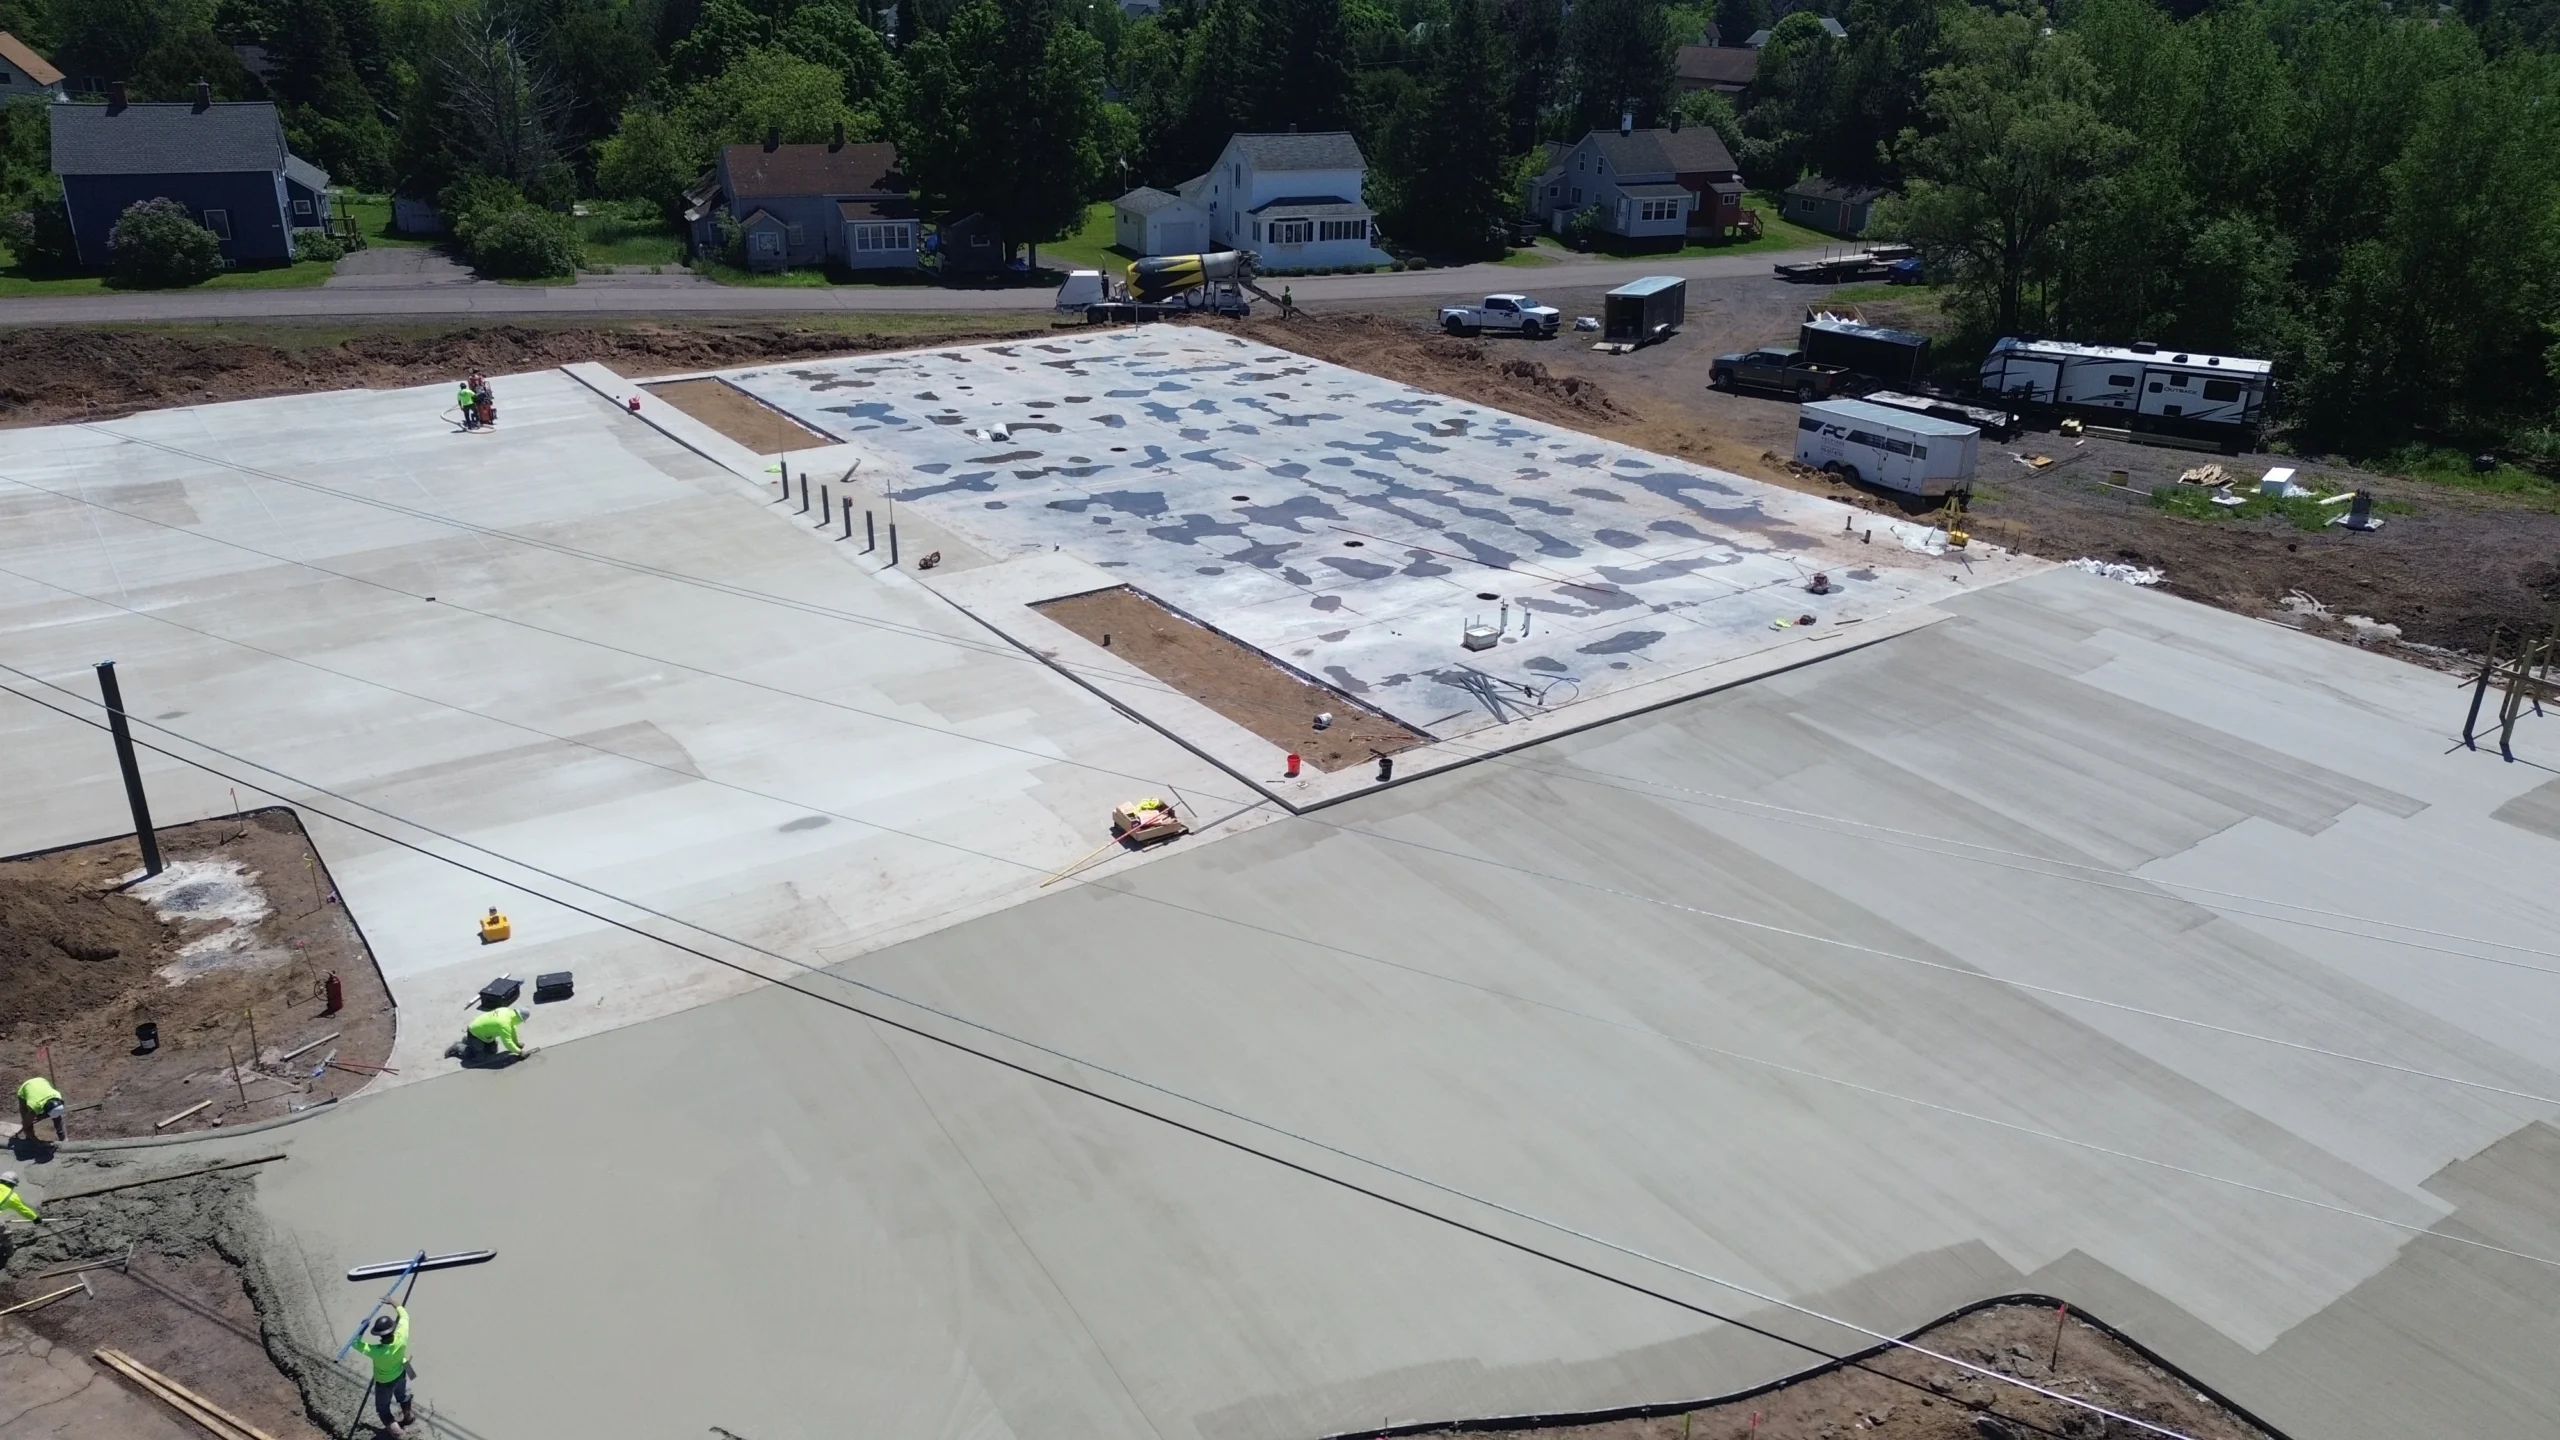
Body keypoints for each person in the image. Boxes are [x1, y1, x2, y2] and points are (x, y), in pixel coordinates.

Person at [353, 1305, 417, 1436]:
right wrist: (393, 1303)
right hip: (400, 1373)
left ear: (379, 1335)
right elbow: (405, 1316)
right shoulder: (401, 1337)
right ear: (393, 1330)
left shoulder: (376, 1351)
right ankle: (408, 1417)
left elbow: (355, 1343)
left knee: (383, 1409)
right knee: (403, 1396)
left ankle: (397, 1433)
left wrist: (362, 1329)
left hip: (384, 1383)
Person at [458, 1004, 528, 1062]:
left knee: (492, 1051)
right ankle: (459, 1046)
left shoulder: (507, 1012)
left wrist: (516, 1043)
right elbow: (508, 1042)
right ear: (519, 1018)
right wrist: (519, 1052)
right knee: (480, 1057)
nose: (520, 1023)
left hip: (485, 1034)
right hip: (475, 1032)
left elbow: (513, 1030)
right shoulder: (504, 1023)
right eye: (521, 1021)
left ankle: (470, 1042)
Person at [15, 1075, 64, 1147]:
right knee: (27, 1120)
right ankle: (30, 1140)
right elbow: (26, 1125)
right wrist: (37, 1142)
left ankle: (63, 1139)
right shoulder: (34, 1106)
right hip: (26, 1088)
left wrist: (42, 1116)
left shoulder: (58, 1096)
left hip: (42, 1081)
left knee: (58, 1117)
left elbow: (55, 1113)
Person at [0, 1169, 34, 1266]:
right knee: (6, 1234)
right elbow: (23, 1210)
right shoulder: (11, 1196)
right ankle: (10, 1253)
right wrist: (35, 1218)